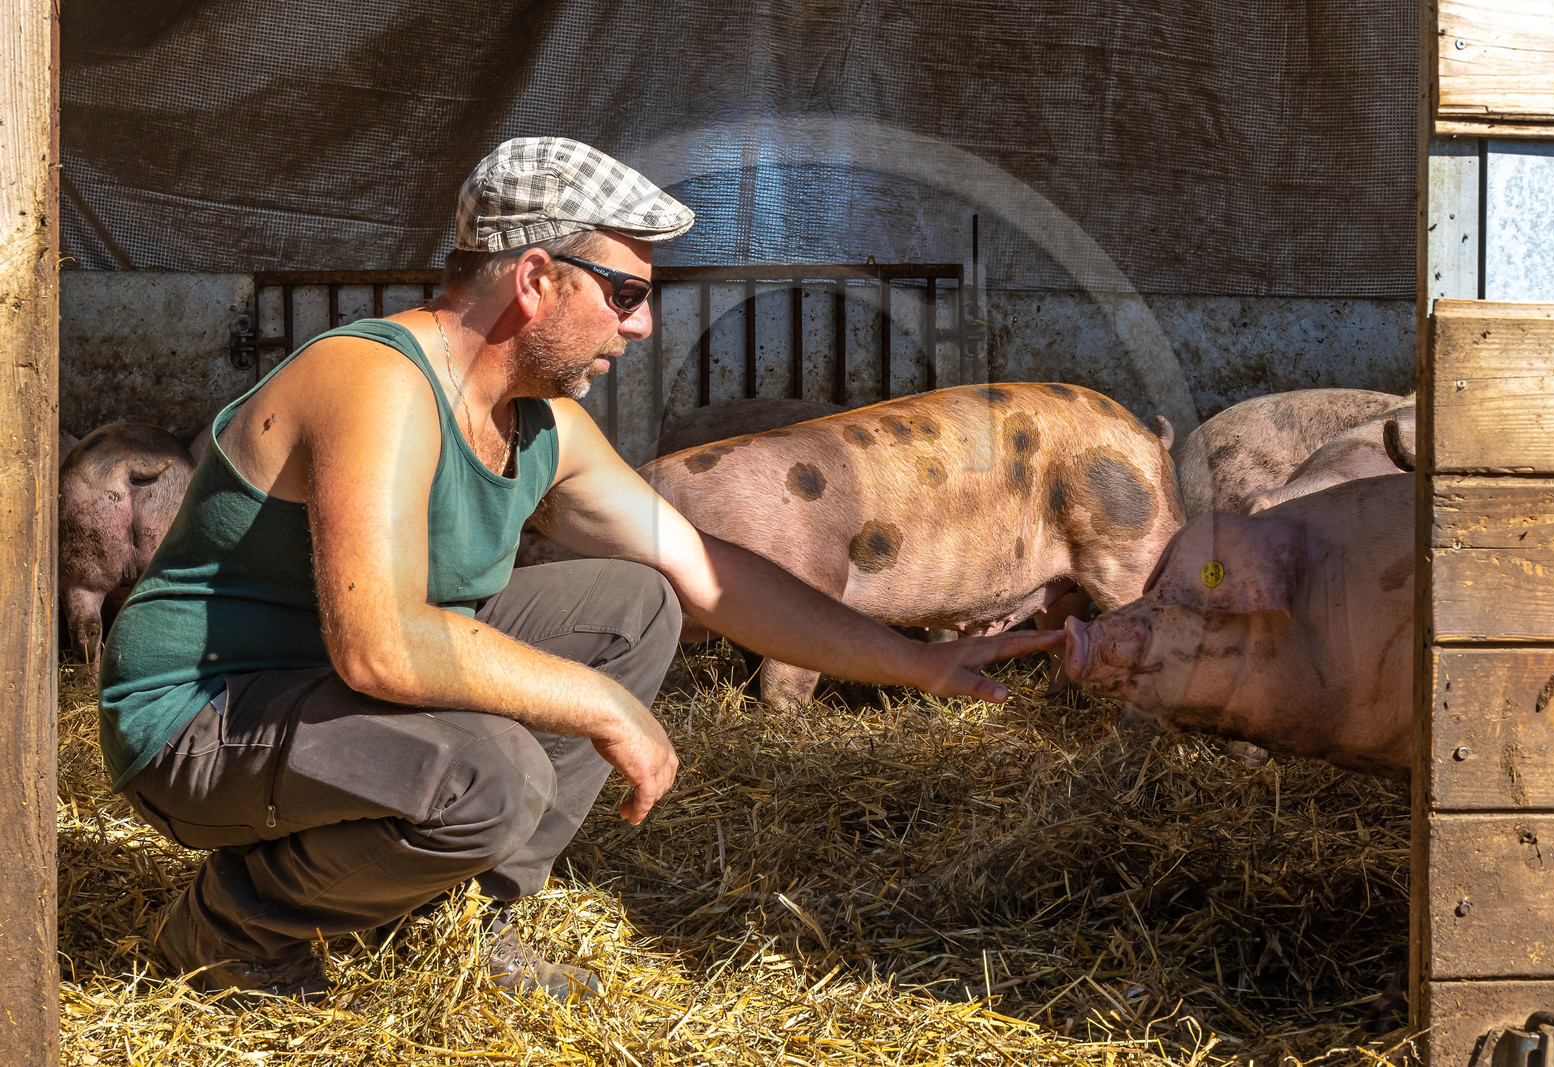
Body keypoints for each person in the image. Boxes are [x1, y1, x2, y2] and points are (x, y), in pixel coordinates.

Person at [99, 136, 1062, 1002]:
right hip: (206, 716)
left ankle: (473, 914)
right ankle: (230, 929)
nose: (640, 327)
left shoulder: (541, 424)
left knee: (635, 603)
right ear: (534, 278)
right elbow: (381, 647)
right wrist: (602, 705)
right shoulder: (379, 381)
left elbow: (705, 570)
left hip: (321, 698)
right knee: (495, 771)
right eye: (628, 295)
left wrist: (918, 662)